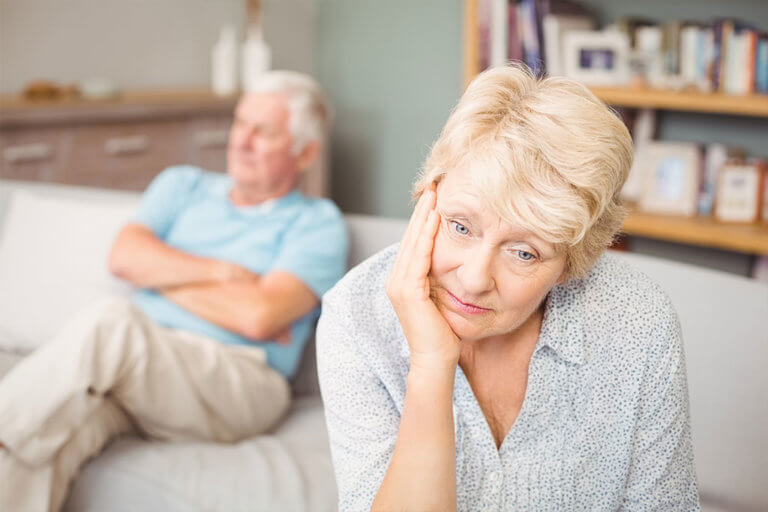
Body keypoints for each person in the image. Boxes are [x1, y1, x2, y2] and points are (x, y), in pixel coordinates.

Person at [316, 63, 700, 511]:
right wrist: (431, 364)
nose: (475, 278)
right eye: (460, 226)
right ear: (428, 200)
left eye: (524, 253)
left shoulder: (638, 321)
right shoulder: (356, 317)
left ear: (570, 265)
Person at [0, 70, 349, 512]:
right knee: (57, 433)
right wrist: (224, 275)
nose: (242, 141)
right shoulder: (182, 185)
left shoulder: (317, 222)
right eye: (241, 123)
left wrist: (159, 276)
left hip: (241, 378)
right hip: (140, 367)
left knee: (113, 322)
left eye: (264, 132)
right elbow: (124, 258)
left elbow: (257, 317)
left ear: (305, 153)